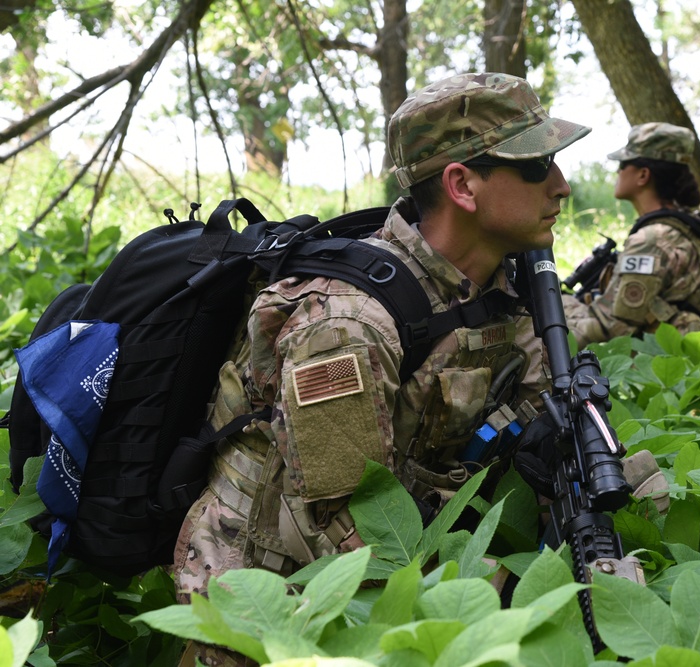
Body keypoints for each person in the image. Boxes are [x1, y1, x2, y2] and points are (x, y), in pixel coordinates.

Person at [170, 72, 594, 666]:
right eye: (536, 165)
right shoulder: (345, 324)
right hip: (268, 586)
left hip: (405, 539)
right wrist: (499, 598)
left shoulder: (500, 286)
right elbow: (334, 518)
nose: (562, 185)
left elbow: (540, 411)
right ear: (462, 185)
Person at [562, 122, 700, 347]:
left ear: (643, 175)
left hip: (659, 362)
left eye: (623, 164)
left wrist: (558, 306)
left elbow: (609, 331)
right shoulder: (696, 225)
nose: (618, 171)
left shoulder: (651, 240)